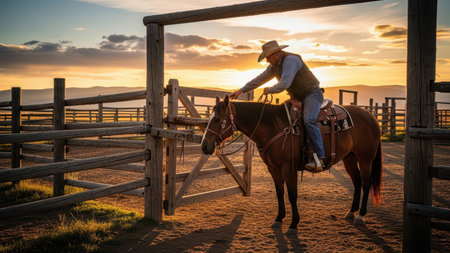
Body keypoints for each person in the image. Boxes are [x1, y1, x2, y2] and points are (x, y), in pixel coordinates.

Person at [230, 40, 325, 172]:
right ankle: (294, 152)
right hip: (296, 97)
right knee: (281, 117)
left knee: (309, 119)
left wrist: (270, 90)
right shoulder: (274, 66)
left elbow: (285, 83)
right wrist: (241, 90)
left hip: (312, 94)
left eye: (268, 57)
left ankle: (319, 157)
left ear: (276, 54)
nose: (267, 61)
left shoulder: (291, 61)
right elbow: (259, 79)